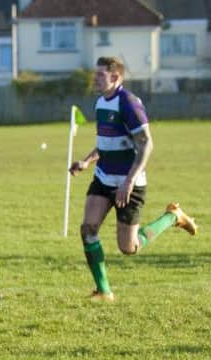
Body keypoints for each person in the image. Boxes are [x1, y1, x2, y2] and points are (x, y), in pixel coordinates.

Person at [69, 56, 197, 302]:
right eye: (94, 74)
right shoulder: (100, 103)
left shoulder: (127, 103)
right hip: (104, 177)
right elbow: (105, 143)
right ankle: (104, 291)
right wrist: (86, 161)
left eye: (100, 75)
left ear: (115, 77)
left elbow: (147, 143)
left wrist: (128, 182)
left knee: (129, 248)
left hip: (130, 183)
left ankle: (173, 217)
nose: (94, 78)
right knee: (88, 229)